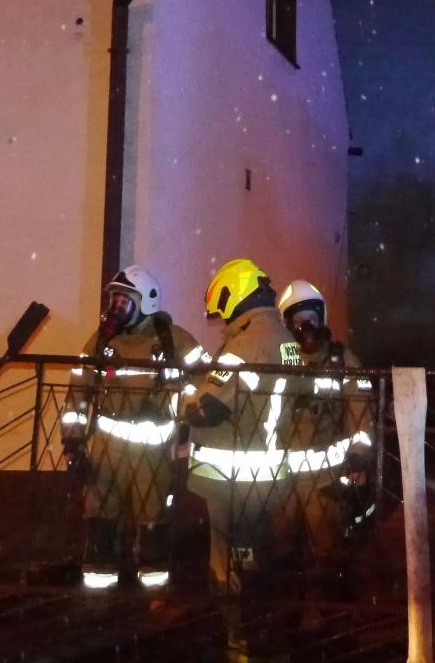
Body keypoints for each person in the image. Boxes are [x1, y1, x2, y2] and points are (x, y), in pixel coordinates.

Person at [182, 258, 302, 659]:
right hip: (268, 476)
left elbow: (206, 407)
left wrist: (179, 394)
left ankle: (241, 646)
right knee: (260, 567)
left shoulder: (246, 342)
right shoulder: (283, 336)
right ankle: (268, 642)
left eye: (222, 305)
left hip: (233, 482)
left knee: (231, 573)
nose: (221, 317)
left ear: (236, 293)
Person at [64, 266, 203, 591]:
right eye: (113, 300)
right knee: (100, 515)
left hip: (154, 449)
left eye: (124, 301)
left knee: (152, 517)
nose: (115, 308)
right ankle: (98, 592)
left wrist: (185, 413)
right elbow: (78, 391)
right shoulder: (100, 342)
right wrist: (73, 443)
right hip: (106, 448)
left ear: (147, 303)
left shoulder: (174, 340)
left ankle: (154, 593)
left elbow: (206, 379)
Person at [278, 280, 376, 576]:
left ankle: (329, 607)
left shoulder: (341, 360)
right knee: (280, 547)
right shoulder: (278, 357)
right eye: (297, 321)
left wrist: (359, 455)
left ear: (322, 319)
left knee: (327, 550)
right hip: (278, 476)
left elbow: (361, 411)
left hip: (324, 476)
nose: (305, 327)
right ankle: (284, 610)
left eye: (311, 319)